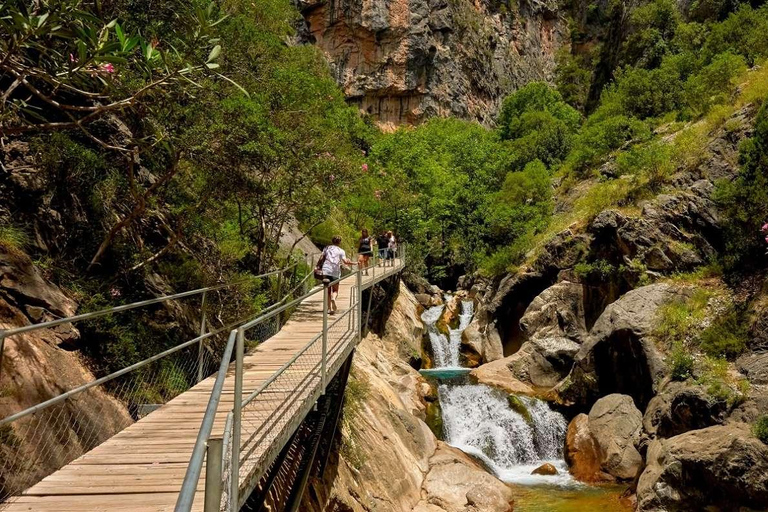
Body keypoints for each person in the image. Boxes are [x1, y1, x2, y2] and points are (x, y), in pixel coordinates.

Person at [320, 236, 353, 315]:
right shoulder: (341, 251)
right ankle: (333, 298)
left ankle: (328, 309)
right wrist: (353, 263)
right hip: (335, 271)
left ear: (332, 241)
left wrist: (317, 266)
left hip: (326, 270)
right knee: (335, 290)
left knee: (327, 291)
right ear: (339, 242)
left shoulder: (326, 248)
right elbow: (345, 261)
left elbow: (321, 258)